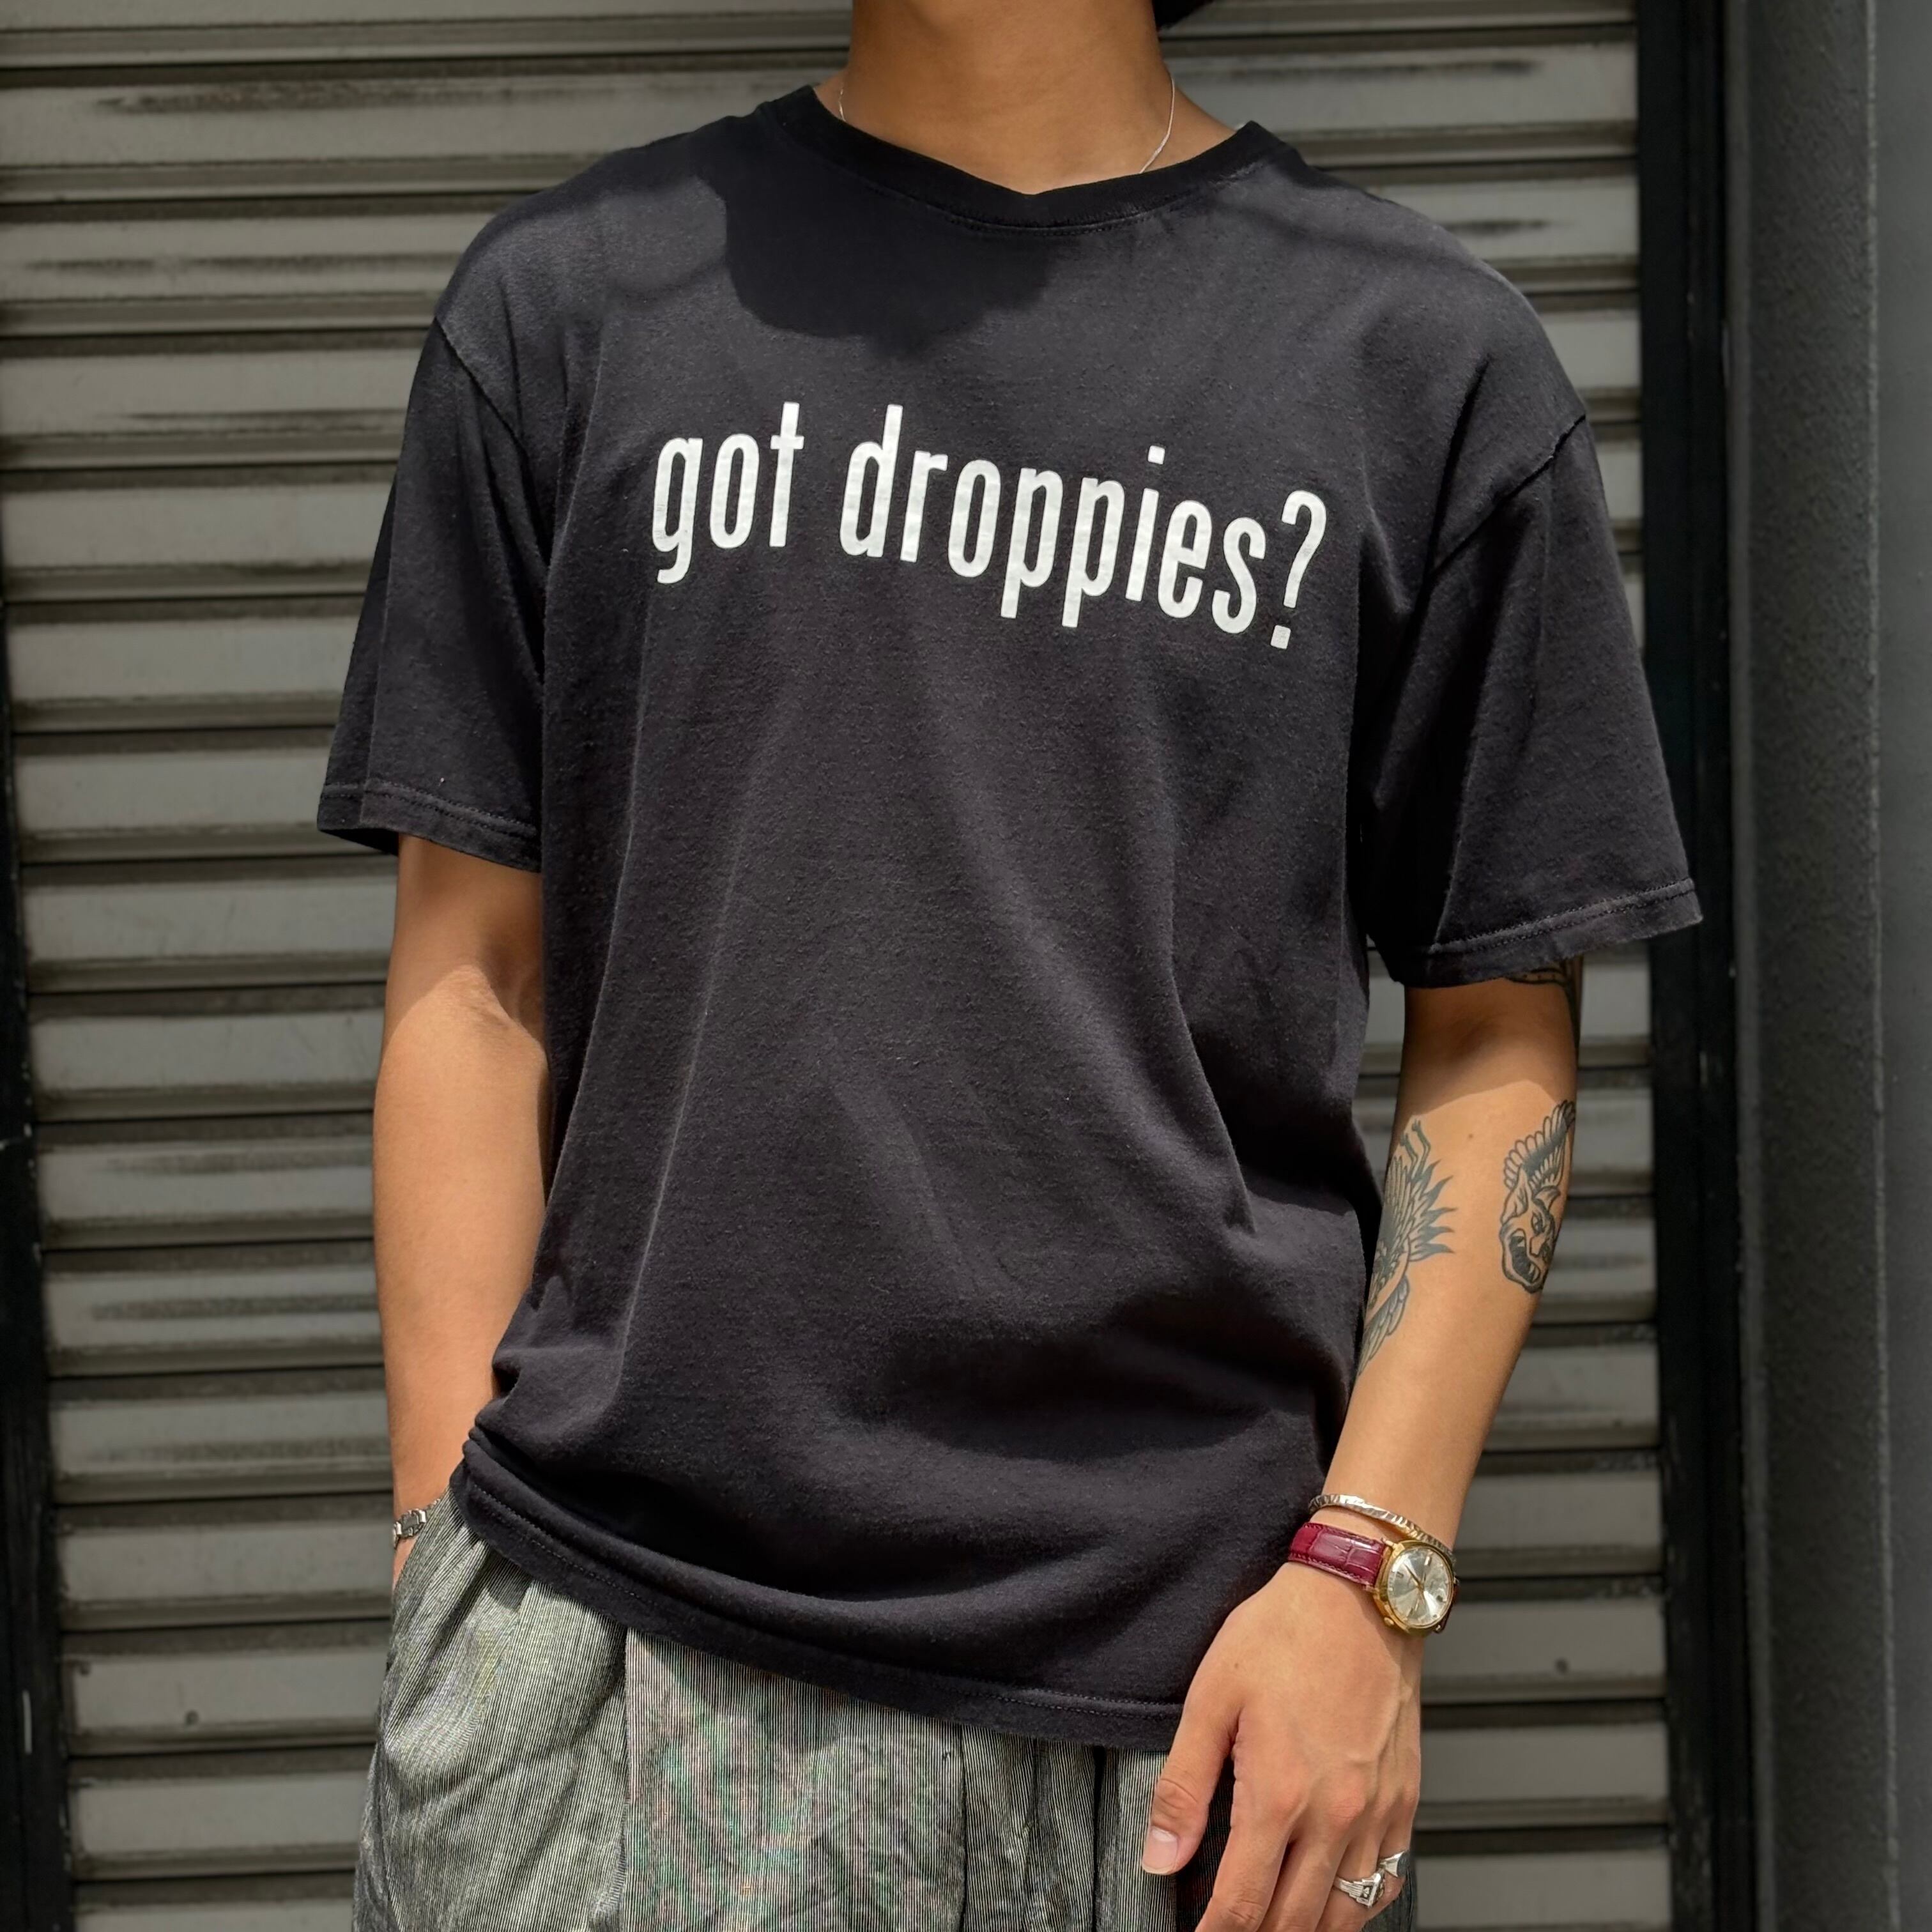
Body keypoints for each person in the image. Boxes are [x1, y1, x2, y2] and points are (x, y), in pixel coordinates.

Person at [318, 0, 1699, 1925]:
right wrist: (445, 1590)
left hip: (1192, 1720)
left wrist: (1367, 1579)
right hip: (614, 1659)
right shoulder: (567, 311)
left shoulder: (1421, 363)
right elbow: (475, 982)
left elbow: (1496, 1032)